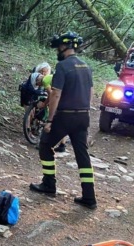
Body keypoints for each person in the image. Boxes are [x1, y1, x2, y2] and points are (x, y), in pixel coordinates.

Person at [29, 31, 97, 209]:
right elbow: (90, 92)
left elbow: (56, 93)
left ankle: (49, 184)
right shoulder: (86, 66)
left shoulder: (63, 66)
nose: (58, 50)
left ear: (65, 46)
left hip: (66, 115)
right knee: (82, 154)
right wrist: (86, 110)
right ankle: (89, 196)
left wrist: (50, 120)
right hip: (83, 116)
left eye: (59, 46)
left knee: (45, 144)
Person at [31, 64, 68, 153]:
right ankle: (62, 145)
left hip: (62, 96)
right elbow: (52, 94)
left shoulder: (45, 81)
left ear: (38, 80)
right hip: (67, 95)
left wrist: (46, 104)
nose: (38, 85)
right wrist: (45, 103)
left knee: (51, 121)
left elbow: (52, 94)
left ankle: (45, 145)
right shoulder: (48, 78)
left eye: (37, 84)